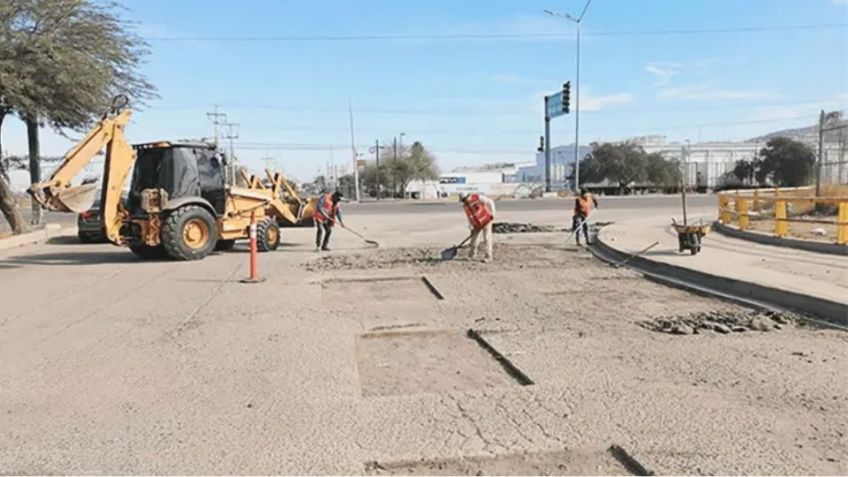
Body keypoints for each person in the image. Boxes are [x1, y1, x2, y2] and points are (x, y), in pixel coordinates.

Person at [460, 192, 495, 261]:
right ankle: (472, 255)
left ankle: (488, 256)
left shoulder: (477, 198)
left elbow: (490, 202)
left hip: (486, 220)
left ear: (468, 196)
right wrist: (471, 227)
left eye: (465, 199)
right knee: (474, 240)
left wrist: (493, 213)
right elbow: (469, 217)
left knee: (487, 238)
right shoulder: (465, 206)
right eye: (463, 200)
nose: (465, 201)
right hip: (476, 224)